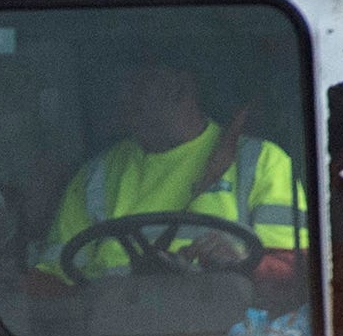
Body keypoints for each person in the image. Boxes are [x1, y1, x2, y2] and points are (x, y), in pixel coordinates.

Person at [34, 58, 307, 284]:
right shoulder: (97, 173)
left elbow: (297, 275)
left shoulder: (260, 160)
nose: (123, 94)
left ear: (180, 87)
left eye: (138, 81)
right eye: (120, 83)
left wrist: (239, 263)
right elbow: (54, 280)